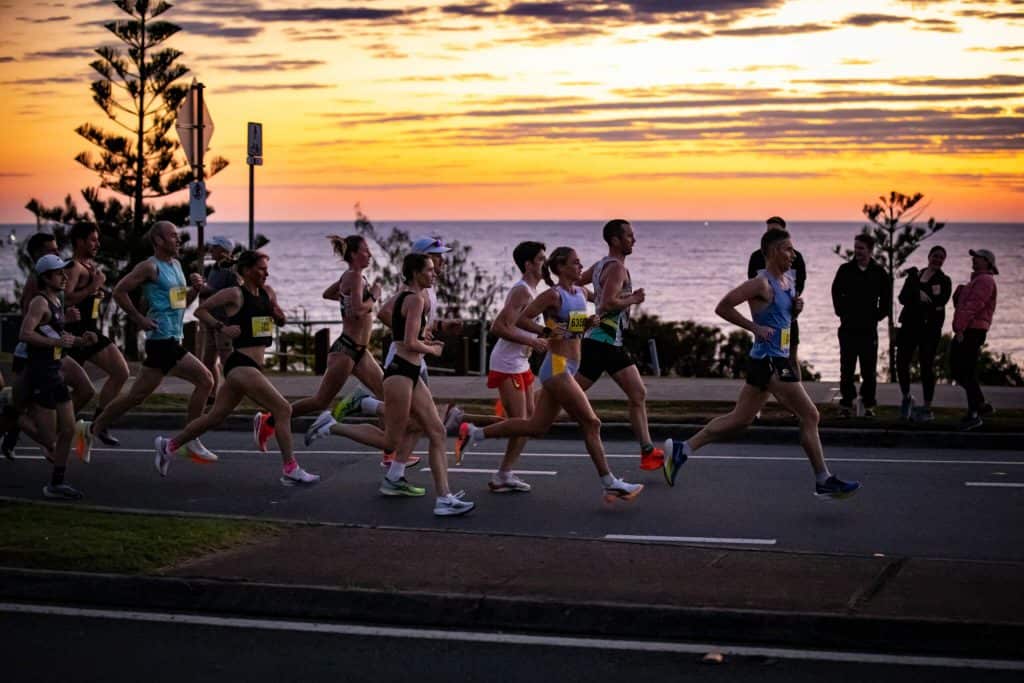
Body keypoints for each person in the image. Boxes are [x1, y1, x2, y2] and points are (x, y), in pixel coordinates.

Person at [663, 228, 860, 500]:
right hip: (770, 361)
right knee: (810, 415)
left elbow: (784, 317)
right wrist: (754, 327)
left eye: (794, 249)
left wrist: (797, 309)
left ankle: (681, 449)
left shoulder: (788, 280)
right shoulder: (761, 283)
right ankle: (823, 479)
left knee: (740, 419)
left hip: (772, 358)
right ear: (772, 252)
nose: (793, 255)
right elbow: (723, 306)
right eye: (788, 249)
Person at [457, 246, 644, 504]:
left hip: (571, 365)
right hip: (556, 365)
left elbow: (600, 307)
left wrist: (617, 306)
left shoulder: (581, 292)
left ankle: (474, 433)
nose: (581, 267)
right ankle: (609, 482)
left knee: (536, 426)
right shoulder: (552, 296)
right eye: (576, 263)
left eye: (580, 262)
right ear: (560, 268)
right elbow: (522, 320)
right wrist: (548, 333)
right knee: (592, 423)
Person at [309, 253, 474, 516]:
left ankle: (444, 498)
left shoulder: (401, 296)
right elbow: (410, 343)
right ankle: (332, 425)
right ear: (416, 273)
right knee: (390, 441)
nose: (434, 273)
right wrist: (433, 349)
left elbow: (386, 312)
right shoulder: (417, 299)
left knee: (436, 431)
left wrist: (418, 334)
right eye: (430, 270)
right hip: (399, 372)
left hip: (407, 371)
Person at [155, 251, 320, 484]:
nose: (267, 273)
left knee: (216, 416)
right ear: (247, 270)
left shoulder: (267, 293)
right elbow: (200, 311)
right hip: (240, 364)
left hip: (253, 367)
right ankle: (290, 469)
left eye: (267, 268)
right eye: (261, 269)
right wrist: (221, 327)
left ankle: (168, 445)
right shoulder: (234, 293)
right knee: (283, 409)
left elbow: (277, 315)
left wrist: (279, 316)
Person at [76, 221, 215, 462]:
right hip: (162, 340)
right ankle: (190, 438)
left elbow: (179, 303)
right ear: (159, 240)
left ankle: (89, 430)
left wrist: (195, 290)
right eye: (173, 236)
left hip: (172, 336)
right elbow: (119, 290)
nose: (178, 240)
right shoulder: (149, 267)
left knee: (135, 397)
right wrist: (139, 319)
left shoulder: (177, 265)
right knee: (206, 380)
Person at [575, 219, 663, 471]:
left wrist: (592, 298)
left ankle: (647, 450)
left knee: (638, 393)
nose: (633, 240)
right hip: (603, 342)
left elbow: (579, 283)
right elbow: (608, 304)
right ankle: (521, 414)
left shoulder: (601, 264)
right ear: (615, 240)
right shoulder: (617, 269)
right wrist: (633, 298)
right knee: (566, 394)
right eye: (628, 236)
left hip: (606, 341)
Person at [3, 232, 95, 460]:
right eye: (51, 251)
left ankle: (53, 433)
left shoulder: (57, 280)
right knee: (19, 405)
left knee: (86, 390)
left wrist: (66, 320)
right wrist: (54, 333)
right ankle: (43, 436)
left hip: (56, 352)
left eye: (57, 249)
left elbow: (52, 317)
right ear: (37, 256)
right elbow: (31, 323)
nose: (57, 253)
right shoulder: (36, 285)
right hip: (33, 356)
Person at [19, 254, 100, 499]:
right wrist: (56, 340)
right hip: (41, 373)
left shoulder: (57, 300)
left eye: (64, 272)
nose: (65, 277)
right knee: (48, 437)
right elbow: (25, 334)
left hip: (55, 371)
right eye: (58, 273)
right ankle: (11, 412)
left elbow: (56, 336)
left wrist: (81, 339)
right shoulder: (40, 302)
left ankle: (56, 483)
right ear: (45, 277)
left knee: (67, 430)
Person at [481, 240, 549, 492]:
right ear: (528, 264)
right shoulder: (521, 291)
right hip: (507, 363)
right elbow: (498, 327)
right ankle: (476, 437)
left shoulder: (534, 294)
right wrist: (533, 340)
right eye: (541, 259)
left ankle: (504, 472)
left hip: (520, 362)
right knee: (522, 421)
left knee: (529, 421)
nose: (545, 263)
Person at [63, 222, 130, 447]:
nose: (97, 243)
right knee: (51, 391)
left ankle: (98, 425)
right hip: (72, 336)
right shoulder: (73, 267)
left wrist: (95, 293)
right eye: (92, 239)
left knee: (121, 372)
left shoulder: (89, 267)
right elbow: (65, 300)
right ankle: (32, 427)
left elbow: (83, 298)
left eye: (97, 239)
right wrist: (93, 288)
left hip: (90, 334)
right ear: (79, 241)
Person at [831, 233, 890, 417]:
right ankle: (846, 404)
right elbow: (835, 292)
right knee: (846, 368)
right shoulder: (845, 270)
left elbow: (886, 299)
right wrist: (842, 312)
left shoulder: (879, 273)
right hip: (848, 327)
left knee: (869, 370)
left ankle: (868, 404)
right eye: (856, 247)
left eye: (861, 248)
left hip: (868, 329)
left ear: (871, 250)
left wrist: (876, 316)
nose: (857, 251)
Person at [895, 245, 951, 422]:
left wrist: (921, 298)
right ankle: (907, 397)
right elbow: (902, 298)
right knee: (901, 362)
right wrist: (918, 293)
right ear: (929, 256)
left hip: (929, 330)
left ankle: (927, 407)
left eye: (941, 257)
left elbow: (940, 302)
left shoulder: (944, 280)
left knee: (926, 366)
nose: (937, 260)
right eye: (935, 256)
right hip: (909, 327)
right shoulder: (914, 276)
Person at [748, 216, 806, 373]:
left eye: (775, 231)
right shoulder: (756, 259)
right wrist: (754, 326)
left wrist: (795, 307)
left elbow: (799, 284)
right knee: (764, 360)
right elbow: (750, 289)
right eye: (768, 231)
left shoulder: (795, 258)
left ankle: (790, 386)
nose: (770, 235)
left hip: (787, 317)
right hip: (766, 321)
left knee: (790, 358)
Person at [950, 248, 998, 431]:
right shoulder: (977, 281)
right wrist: (960, 292)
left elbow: (973, 306)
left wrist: (959, 329)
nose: (974, 260)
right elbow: (963, 304)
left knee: (963, 370)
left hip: (972, 330)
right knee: (961, 370)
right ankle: (979, 406)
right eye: (974, 258)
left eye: (978, 258)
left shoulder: (985, 280)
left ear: (987, 262)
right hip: (970, 329)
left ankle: (976, 411)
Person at [198, 235, 237, 400]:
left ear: (224, 250)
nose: (211, 250)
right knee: (208, 360)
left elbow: (232, 293)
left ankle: (233, 392)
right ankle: (213, 393)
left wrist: (203, 289)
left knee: (227, 359)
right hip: (211, 320)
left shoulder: (232, 270)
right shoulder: (212, 268)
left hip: (224, 321)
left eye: (214, 247)